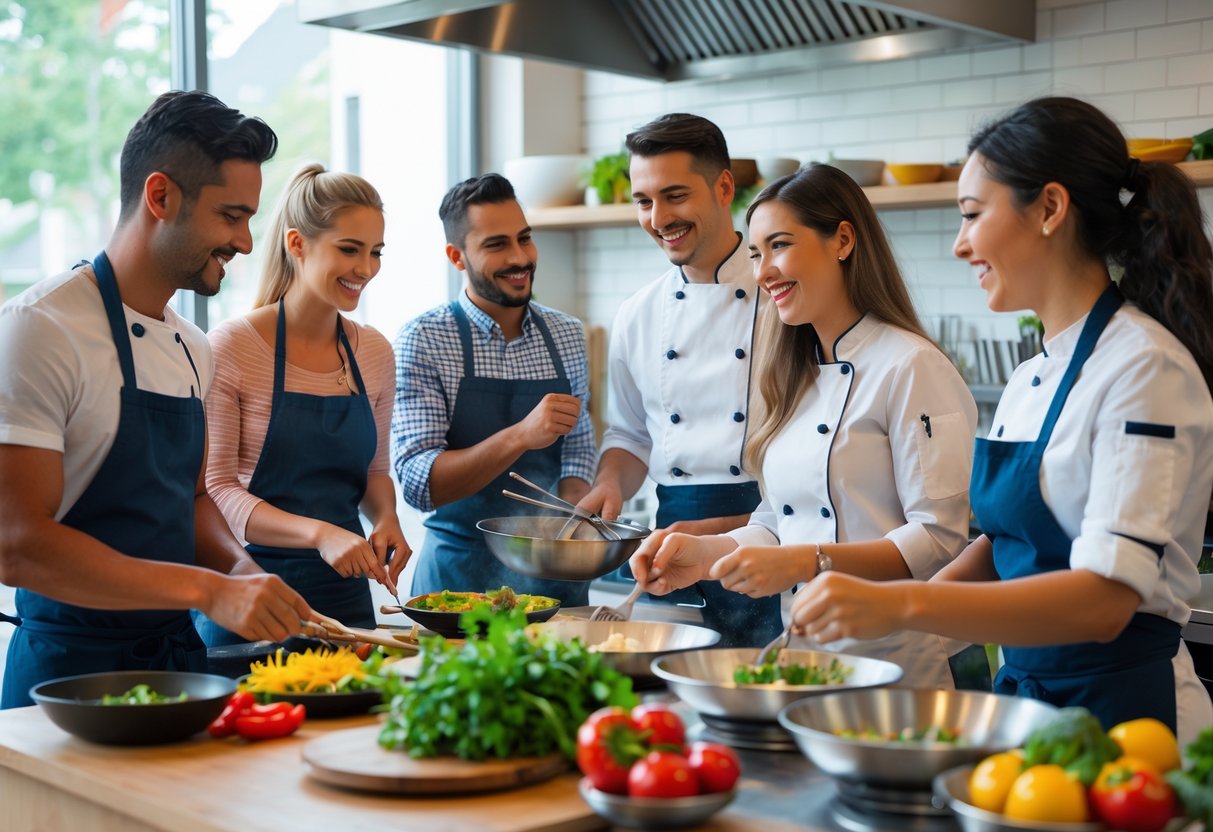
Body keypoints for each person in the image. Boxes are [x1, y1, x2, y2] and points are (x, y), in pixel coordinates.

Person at [789, 96, 1213, 743]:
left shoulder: (1143, 368)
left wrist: (902, 600)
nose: (961, 244)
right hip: (1030, 709)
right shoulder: (1031, 373)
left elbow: (1103, 602)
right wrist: (880, 617)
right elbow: (1005, 540)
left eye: (971, 214)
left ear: (1048, 208)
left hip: (1128, 722)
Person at [0, 90, 316, 708]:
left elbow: (194, 500)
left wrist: (240, 571)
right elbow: (16, 543)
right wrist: (206, 592)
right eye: (231, 216)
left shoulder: (193, 346)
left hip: (181, 676)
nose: (248, 243)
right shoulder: (40, 329)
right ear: (160, 196)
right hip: (62, 687)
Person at [630, 164, 977, 687]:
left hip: (911, 664)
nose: (764, 270)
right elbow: (779, 520)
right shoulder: (791, 374)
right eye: (756, 253)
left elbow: (939, 537)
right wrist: (705, 555)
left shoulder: (912, 366)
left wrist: (807, 562)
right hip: (812, 656)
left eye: (780, 246)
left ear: (842, 240)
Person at [577, 113, 781, 646]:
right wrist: (609, 485)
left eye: (674, 196)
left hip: (770, 536)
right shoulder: (637, 314)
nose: (658, 217)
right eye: (644, 201)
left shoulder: (785, 300)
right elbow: (629, 435)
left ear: (723, 187)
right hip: (672, 547)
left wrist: (720, 532)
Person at [195, 164, 409, 645]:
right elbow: (218, 492)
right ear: (297, 244)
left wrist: (386, 517)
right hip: (250, 593)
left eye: (375, 252)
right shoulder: (231, 346)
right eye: (349, 250)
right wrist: (320, 534)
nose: (366, 269)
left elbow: (375, 472)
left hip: (347, 600)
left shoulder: (374, 352)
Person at [391, 173, 596, 605]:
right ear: (457, 256)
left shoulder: (567, 334)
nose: (520, 257)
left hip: (552, 579)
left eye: (524, 239)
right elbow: (417, 483)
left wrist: (575, 519)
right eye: (496, 244)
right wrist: (522, 435)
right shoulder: (424, 339)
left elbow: (578, 449)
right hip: (456, 582)